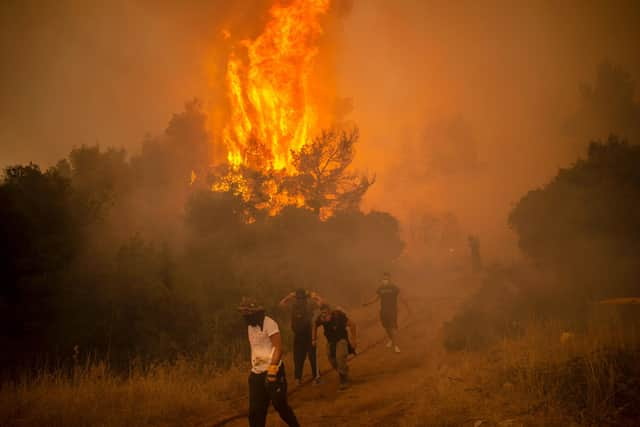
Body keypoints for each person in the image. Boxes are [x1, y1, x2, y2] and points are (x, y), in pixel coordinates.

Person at [238, 297, 300, 427]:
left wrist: (272, 370)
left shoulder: (269, 323)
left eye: (247, 313)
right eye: (243, 313)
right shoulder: (250, 327)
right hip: (256, 374)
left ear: (255, 312)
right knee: (255, 412)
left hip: (273, 372)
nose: (245, 317)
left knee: (280, 406)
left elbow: (278, 348)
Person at [279, 288, 323, 385]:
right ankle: (314, 377)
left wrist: (290, 296)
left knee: (300, 357)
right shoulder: (308, 304)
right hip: (305, 335)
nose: (300, 300)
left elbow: (281, 304)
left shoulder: (294, 305)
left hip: (305, 335)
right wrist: (314, 296)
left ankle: (300, 379)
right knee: (306, 357)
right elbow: (321, 304)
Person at [312, 303, 357, 390]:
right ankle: (343, 370)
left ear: (330, 312)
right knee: (332, 359)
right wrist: (313, 339)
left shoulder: (338, 316)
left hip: (341, 340)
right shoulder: (321, 318)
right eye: (322, 313)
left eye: (325, 313)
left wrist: (353, 340)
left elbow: (352, 324)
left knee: (340, 357)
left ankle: (343, 380)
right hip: (331, 341)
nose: (323, 315)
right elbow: (314, 325)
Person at [363, 272, 409, 353]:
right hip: (383, 310)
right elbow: (376, 298)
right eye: (384, 279)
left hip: (392, 310)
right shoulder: (380, 288)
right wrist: (367, 303)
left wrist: (407, 305)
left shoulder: (394, 288)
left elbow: (401, 296)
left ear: (390, 279)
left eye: (386, 279)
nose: (385, 280)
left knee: (392, 327)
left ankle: (396, 346)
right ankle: (391, 340)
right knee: (386, 327)